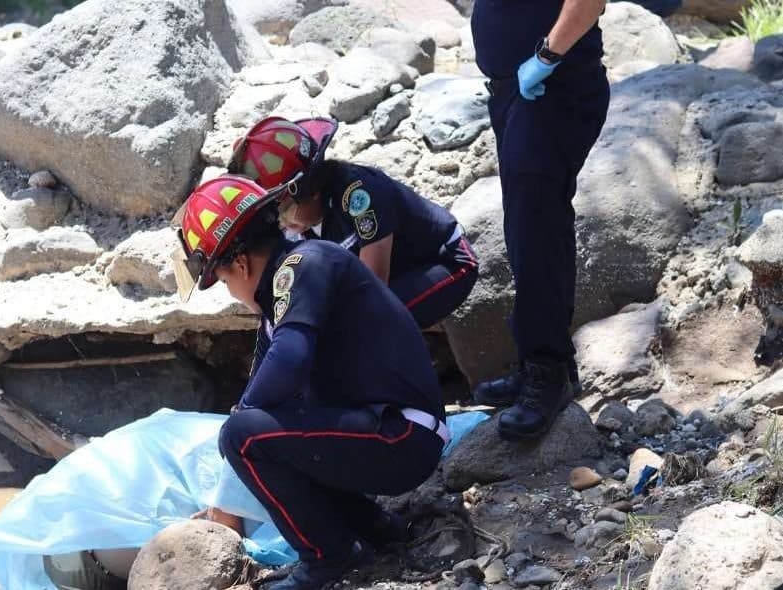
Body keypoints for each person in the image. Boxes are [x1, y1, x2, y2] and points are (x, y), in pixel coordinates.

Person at [172, 174, 450, 590]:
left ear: (242, 264)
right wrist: (225, 499)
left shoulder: (305, 266)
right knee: (261, 431)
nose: (231, 291)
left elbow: (289, 360)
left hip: (402, 435)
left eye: (225, 280)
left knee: (243, 436)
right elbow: (264, 396)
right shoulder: (288, 289)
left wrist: (243, 429)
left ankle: (326, 557)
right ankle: (375, 529)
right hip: (395, 432)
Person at [469, 0, 610, 439]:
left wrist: (547, 55)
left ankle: (547, 371)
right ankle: (544, 358)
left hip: (554, 84)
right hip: (516, 88)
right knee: (524, 226)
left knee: (536, 227)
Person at [227, 116, 478, 329]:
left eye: (284, 210)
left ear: (312, 190)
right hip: (395, 271)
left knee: (366, 326)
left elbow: (371, 288)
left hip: (443, 261)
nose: (281, 222)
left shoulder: (359, 195)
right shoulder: (302, 219)